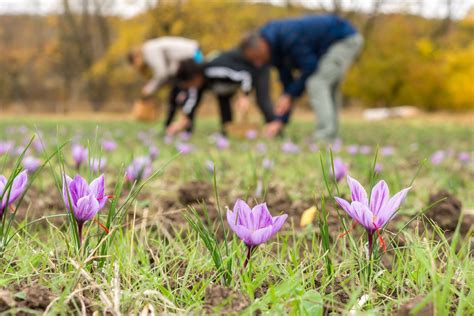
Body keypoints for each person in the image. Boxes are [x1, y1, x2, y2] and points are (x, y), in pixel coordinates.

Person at [240, 15, 363, 141]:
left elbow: (310, 66)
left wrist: (290, 94)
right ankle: (331, 135)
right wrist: (280, 121)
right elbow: (288, 87)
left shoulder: (288, 37)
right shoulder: (275, 52)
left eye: (257, 57)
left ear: (262, 45)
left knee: (317, 83)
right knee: (325, 85)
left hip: (344, 39)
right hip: (333, 45)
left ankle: (325, 136)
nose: (258, 64)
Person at [166, 49, 277, 136]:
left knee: (262, 100)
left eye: (189, 84)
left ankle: (275, 127)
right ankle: (227, 131)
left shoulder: (213, 70)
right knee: (222, 97)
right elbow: (192, 102)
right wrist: (183, 120)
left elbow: (244, 76)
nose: (190, 87)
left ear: (194, 76)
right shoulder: (198, 85)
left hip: (255, 68)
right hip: (227, 85)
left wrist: (244, 95)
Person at [127, 36, 204, 132]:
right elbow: (167, 72)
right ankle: (173, 127)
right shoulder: (150, 48)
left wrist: (149, 89)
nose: (137, 66)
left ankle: (183, 128)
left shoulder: (149, 50)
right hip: (191, 55)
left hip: (193, 56)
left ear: (136, 57)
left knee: (188, 93)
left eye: (134, 63)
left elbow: (162, 72)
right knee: (176, 96)